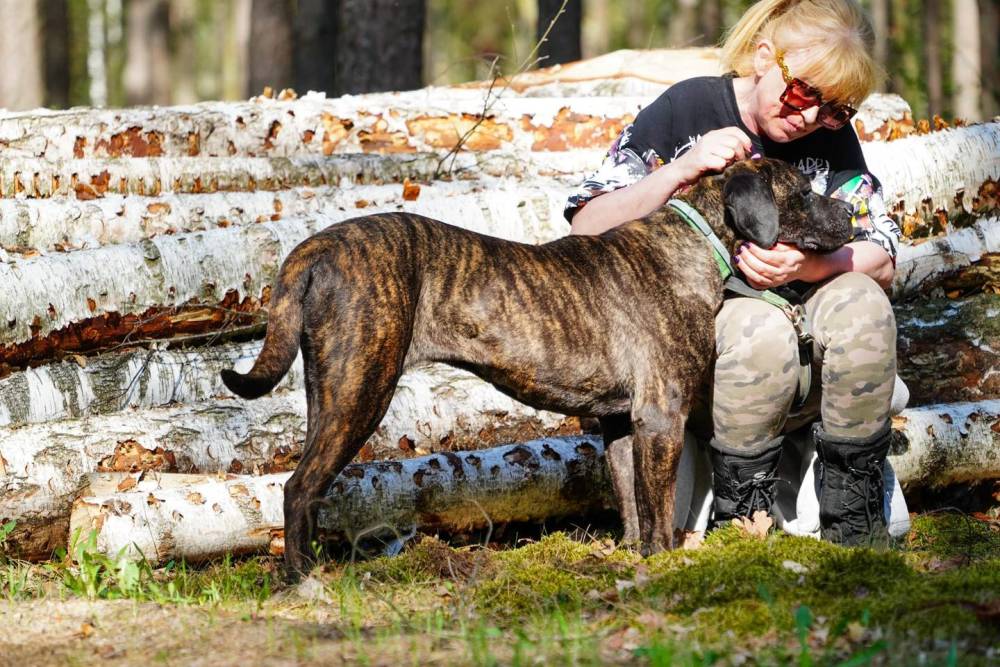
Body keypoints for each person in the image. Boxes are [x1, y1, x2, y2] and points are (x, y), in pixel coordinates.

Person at [565, 0, 903, 545]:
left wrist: (812, 264)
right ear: (765, 58)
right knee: (756, 327)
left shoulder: (829, 135)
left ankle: (855, 526)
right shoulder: (689, 108)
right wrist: (680, 170)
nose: (811, 118)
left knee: (865, 302)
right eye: (803, 94)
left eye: (836, 110)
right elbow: (586, 225)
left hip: (806, 363)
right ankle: (742, 523)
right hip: (697, 358)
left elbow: (883, 252)